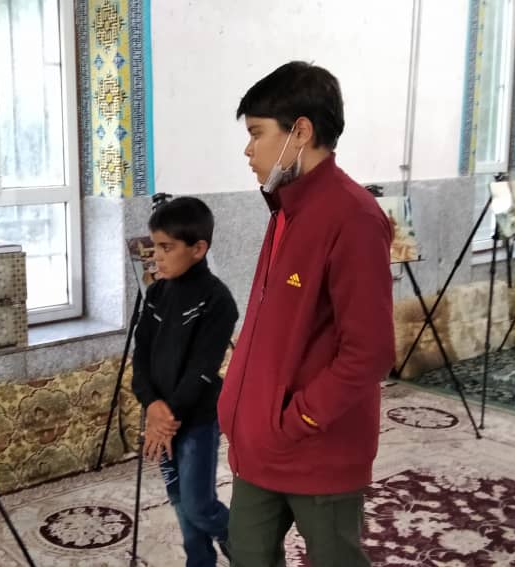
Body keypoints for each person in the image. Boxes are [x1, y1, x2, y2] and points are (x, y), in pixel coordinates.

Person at [217, 61, 396, 566]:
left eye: (257, 133)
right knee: (247, 554)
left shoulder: (354, 217)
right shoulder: (286, 208)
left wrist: (295, 420)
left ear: (300, 132)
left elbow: (370, 352)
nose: (248, 150)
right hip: (260, 446)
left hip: (318, 447)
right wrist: (244, 410)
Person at [131, 196, 239, 567]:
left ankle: (242, 542)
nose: (156, 257)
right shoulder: (156, 293)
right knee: (178, 497)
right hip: (160, 416)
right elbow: (140, 356)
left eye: (166, 248)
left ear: (198, 249)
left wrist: (168, 416)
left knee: (198, 504)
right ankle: (200, 561)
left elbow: (202, 370)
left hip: (195, 419)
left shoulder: (217, 300)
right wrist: (151, 404)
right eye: (154, 246)